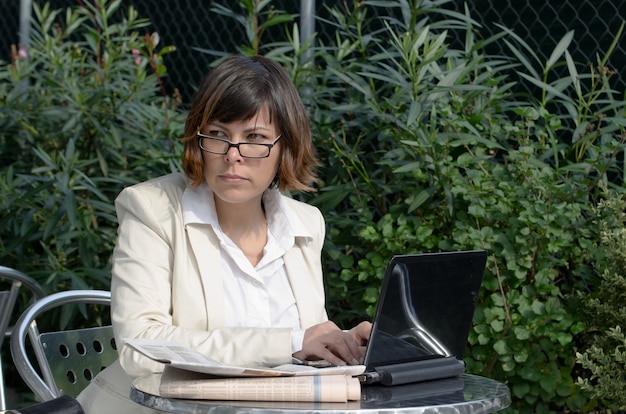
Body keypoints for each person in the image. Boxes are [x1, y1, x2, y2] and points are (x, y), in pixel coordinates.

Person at [77, 55, 372, 413]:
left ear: (286, 147)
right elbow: (142, 346)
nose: (233, 155)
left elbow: (297, 359)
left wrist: (338, 346)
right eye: (217, 135)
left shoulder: (305, 224)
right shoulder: (151, 209)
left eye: (255, 138)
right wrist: (293, 341)